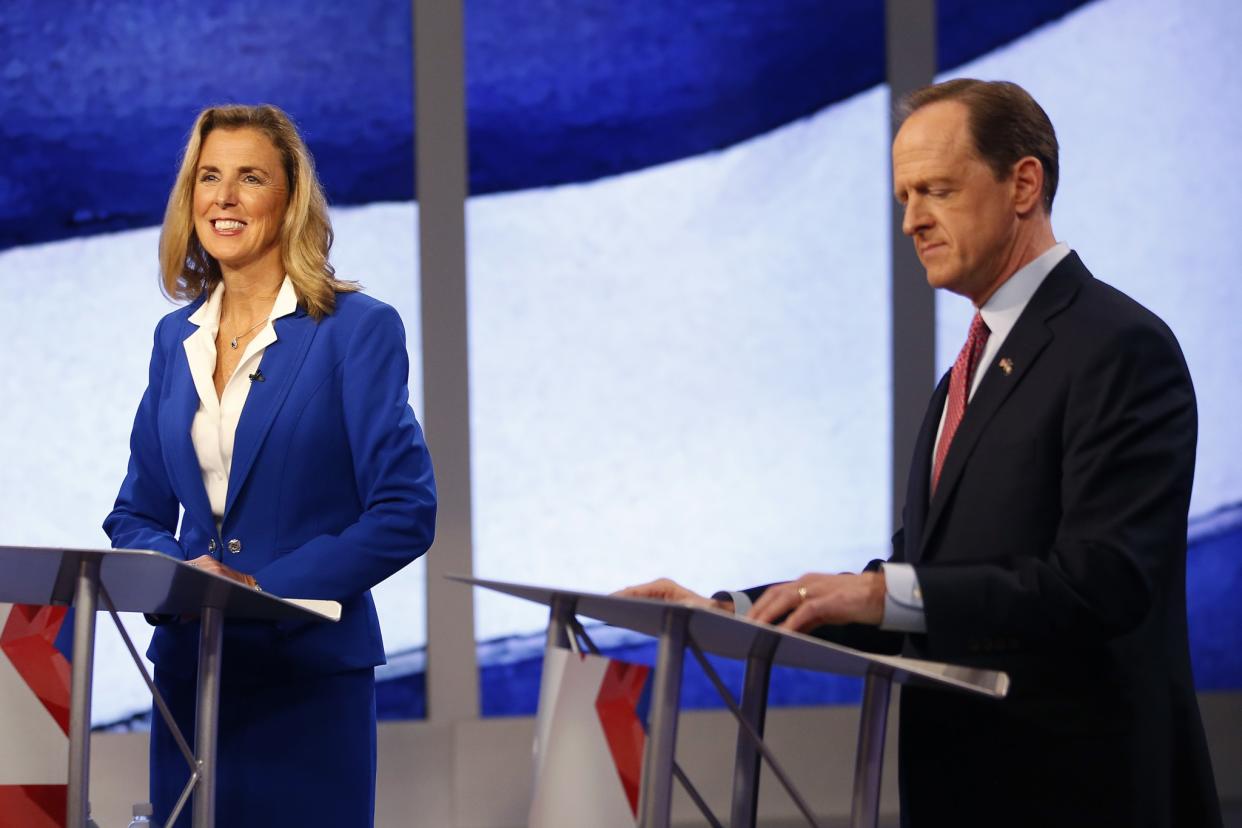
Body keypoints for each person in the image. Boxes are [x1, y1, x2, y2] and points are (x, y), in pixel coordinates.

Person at [620, 79, 1221, 826]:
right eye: (903, 197)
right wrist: (732, 612)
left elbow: (1101, 581)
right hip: (960, 794)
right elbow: (920, 596)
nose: (911, 222)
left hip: (1079, 796)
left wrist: (883, 592)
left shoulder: (1118, 346)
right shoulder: (957, 383)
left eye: (935, 189)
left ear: (1023, 183)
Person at [103, 104, 436, 827]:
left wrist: (259, 589)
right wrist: (179, 577)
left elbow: (406, 511)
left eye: (249, 178)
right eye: (208, 177)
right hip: (189, 679)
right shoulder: (174, 339)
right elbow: (135, 512)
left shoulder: (356, 331)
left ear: (289, 201)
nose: (223, 198)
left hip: (306, 678)